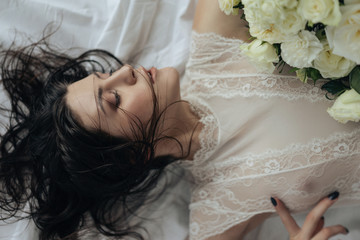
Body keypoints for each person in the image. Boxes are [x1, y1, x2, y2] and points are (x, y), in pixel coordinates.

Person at [0, 0, 358, 240]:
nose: (125, 70)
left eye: (106, 75)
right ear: (130, 156)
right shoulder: (215, 211)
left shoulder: (215, 41)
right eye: (113, 97)